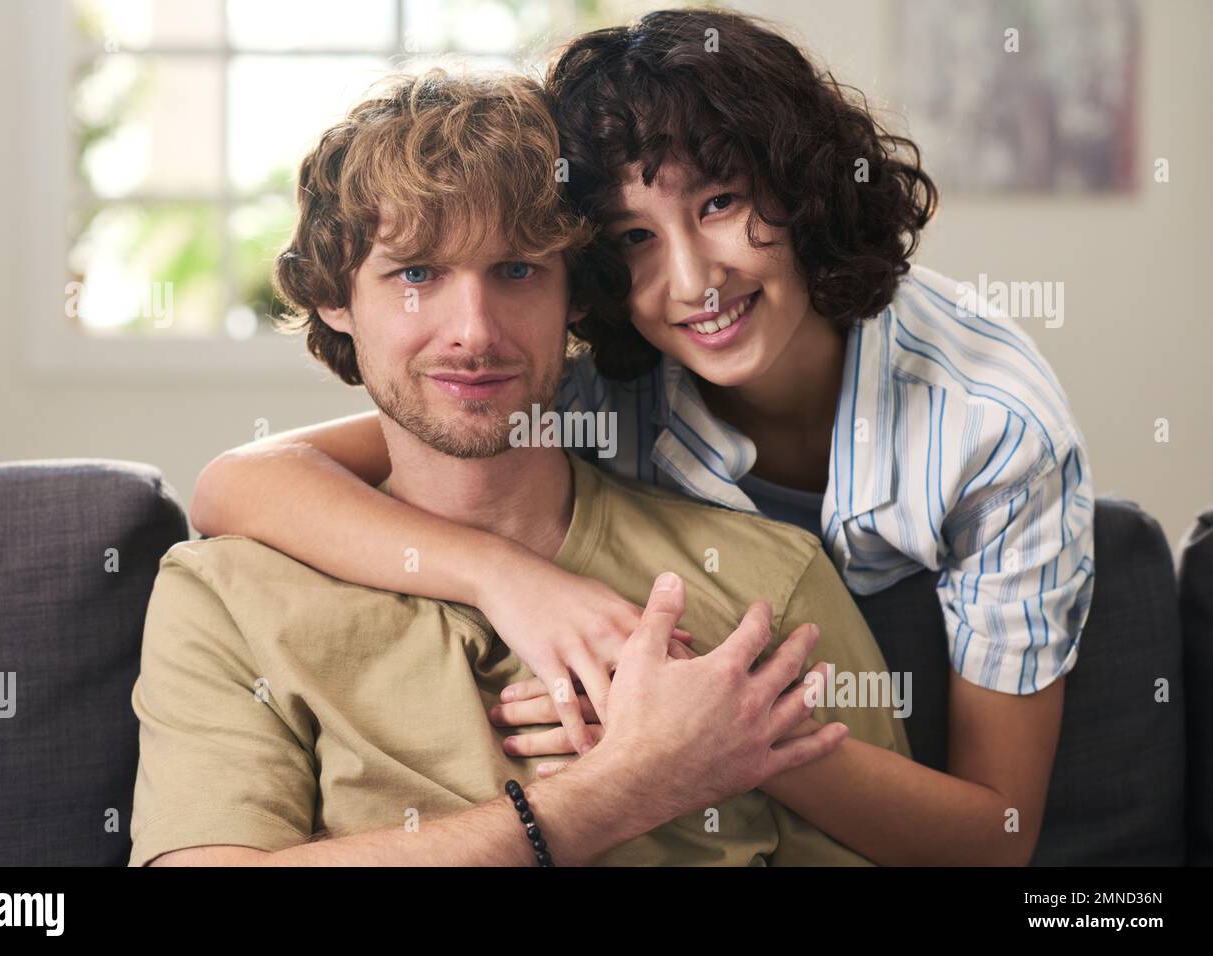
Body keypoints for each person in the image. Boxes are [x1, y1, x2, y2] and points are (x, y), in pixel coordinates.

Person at [190, 10, 1093, 865]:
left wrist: (717, 729)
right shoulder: (588, 378)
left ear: (806, 186)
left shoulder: (989, 427)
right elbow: (244, 481)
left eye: (720, 202)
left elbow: (999, 833)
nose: (695, 281)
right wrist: (508, 580)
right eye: (632, 236)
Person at [129, 68, 908, 868]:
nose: (473, 331)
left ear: (576, 294)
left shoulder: (763, 584)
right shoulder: (227, 596)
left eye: (517, 270)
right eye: (417, 274)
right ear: (336, 296)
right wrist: (623, 789)